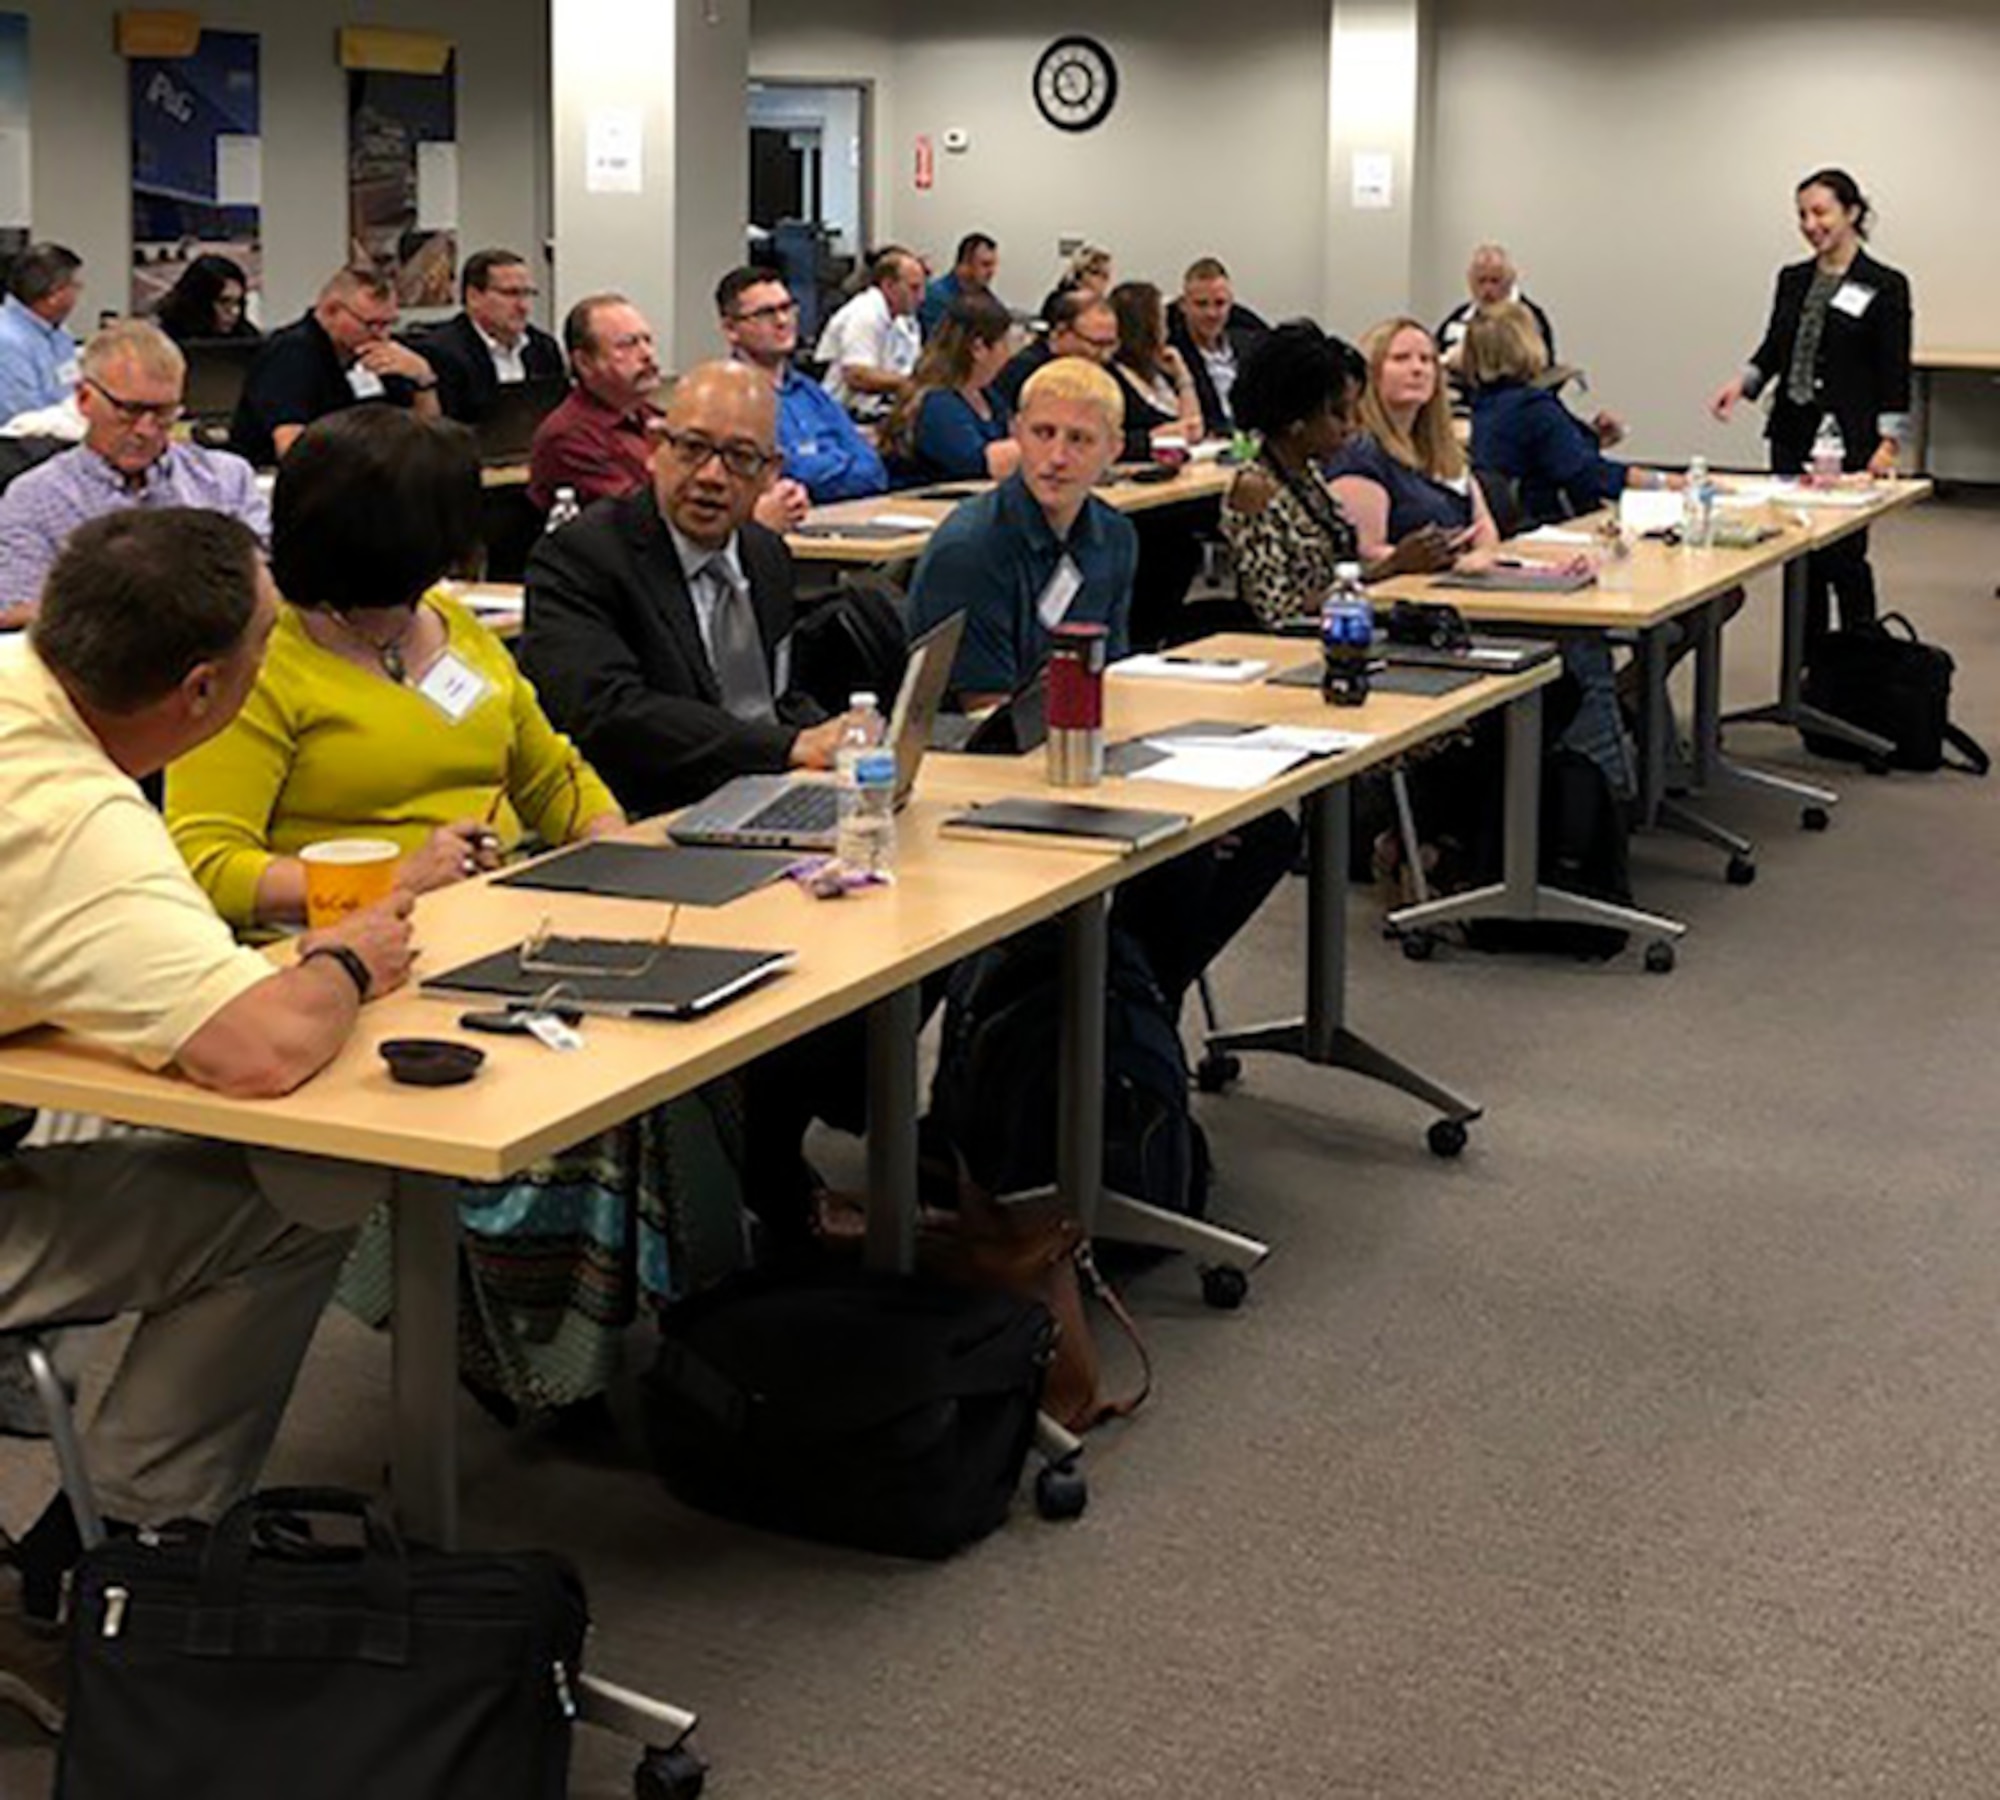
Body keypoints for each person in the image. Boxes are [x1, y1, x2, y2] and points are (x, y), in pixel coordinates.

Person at [0, 506, 414, 1733]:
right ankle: (103, 1563)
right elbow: (266, 1051)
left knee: (144, 1124)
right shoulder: (77, 827)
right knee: (290, 1190)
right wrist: (349, 960)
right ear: (198, 692)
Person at [522, 359, 872, 1251]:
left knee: (912, 929)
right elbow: (603, 710)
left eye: (740, 459)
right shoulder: (584, 556)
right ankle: (754, 1175)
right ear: (655, 448)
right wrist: (784, 748)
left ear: (768, 474)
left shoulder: (762, 550)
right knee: (813, 960)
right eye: (692, 448)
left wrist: (829, 743)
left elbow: (770, 694)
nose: (712, 475)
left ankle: (781, 1142)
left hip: (766, 808)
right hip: (656, 827)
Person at [907, 355, 1295, 1015]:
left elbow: (1110, 675)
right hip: (975, 764)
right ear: (1016, 433)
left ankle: (1126, 1002)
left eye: (1079, 440)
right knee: (1176, 852)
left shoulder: (1111, 536)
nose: (1056, 457)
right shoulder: (971, 547)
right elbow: (986, 717)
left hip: (1076, 747)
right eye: (1042, 434)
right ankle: (1111, 1006)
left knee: (1266, 835)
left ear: (1114, 451)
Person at [1709, 166, 1911, 650]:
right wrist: (1744, 383)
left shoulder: (1884, 284)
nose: (1810, 224)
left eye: (1820, 212)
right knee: (1799, 556)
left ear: (1852, 213)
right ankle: (1807, 665)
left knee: (1843, 555)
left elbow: (1893, 368)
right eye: (1802, 214)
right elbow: (1776, 345)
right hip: (1792, 432)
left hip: (1848, 441)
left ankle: (1863, 657)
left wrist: (1888, 442)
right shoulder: (1793, 278)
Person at [0, 320, 268, 624]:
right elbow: (14, 612)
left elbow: (265, 587)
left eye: (164, 413)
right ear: (84, 399)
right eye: (129, 410)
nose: (146, 430)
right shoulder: (36, 497)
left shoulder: (226, 479)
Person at [1220, 321, 1455, 630]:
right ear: (1296, 420)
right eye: (1338, 414)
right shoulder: (1255, 489)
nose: (1350, 426)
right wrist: (1391, 567)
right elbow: (1278, 612)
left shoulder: (1308, 474)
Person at [1464, 303, 1673, 526]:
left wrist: (1591, 438)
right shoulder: (1532, 408)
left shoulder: (1487, 404)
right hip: (1549, 523)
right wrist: (1666, 482)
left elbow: (1547, 452)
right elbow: (1586, 474)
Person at [228, 265, 439, 467]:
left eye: (389, 324)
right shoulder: (291, 353)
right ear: (331, 312)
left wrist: (423, 378)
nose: (382, 335)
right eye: (371, 324)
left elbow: (424, 438)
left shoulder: (374, 352)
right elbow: (292, 449)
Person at [1328, 317, 1499, 562]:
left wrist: (1482, 555)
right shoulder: (1360, 454)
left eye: (1427, 360)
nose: (1417, 369)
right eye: (1401, 359)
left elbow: (1483, 524)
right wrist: (1451, 562)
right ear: (1371, 373)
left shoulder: (1442, 450)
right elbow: (1367, 552)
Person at [717, 265, 886, 502]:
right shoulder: (726, 397)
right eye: (766, 313)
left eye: (787, 308)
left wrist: (814, 470)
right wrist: (840, 462)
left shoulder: (811, 393)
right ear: (731, 329)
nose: (783, 320)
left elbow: (873, 470)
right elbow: (772, 475)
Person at [414, 247, 564, 426]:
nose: (523, 306)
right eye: (511, 294)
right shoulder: (442, 352)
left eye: (527, 294)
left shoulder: (543, 347)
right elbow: (447, 430)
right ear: (474, 297)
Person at [881, 292, 1020, 484]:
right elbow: (978, 463)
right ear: (978, 348)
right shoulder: (937, 404)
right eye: (1004, 343)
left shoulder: (989, 397)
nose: (1009, 354)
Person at [815, 245, 925, 422]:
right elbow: (857, 376)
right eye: (914, 288)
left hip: (883, 412)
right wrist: (912, 383)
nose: (921, 297)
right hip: (846, 416)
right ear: (888, 285)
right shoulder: (865, 313)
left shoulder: (905, 322)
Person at [1167, 257, 1268, 438]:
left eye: (1220, 303)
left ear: (1231, 303)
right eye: (1201, 304)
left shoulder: (1251, 345)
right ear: (1183, 305)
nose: (1211, 313)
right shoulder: (1173, 354)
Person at [1108, 280, 1205, 448]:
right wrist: (1156, 435)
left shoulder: (1162, 368)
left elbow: (1194, 428)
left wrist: (1183, 378)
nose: (1167, 330)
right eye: (1162, 321)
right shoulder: (1113, 378)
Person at [993, 288, 1119, 411]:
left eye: (1111, 344)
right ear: (1060, 332)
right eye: (1096, 344)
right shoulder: (1021, 371)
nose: (1105, 355)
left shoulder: (1106, 373)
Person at [1435, 244, 1556, 370]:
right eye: (1481, 281)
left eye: (1495, 281)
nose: (1487, 289)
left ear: (1510, 280)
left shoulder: (1531, 318)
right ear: (1470, 281)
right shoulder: (1458, 318)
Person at [0, 244, 84, 423]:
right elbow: (25, 421)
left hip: (65, 435)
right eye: (75, 286)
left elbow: (73, 387)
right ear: (54, 294)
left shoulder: (59, 332)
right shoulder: (6, 341)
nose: (79, 292)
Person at [152, 253, 258, 344]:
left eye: (238, 302)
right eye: (224, 302)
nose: (235, 311)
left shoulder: (247, 338)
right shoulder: (163, 343)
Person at [918, 231, 1000, 339]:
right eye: (985, 265)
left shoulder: (983, 295)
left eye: (994, 265)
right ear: (964, 265)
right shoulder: (937, 297)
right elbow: (944, 346)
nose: (992, 271)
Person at [1039, 244, 1113, 326]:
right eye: (1096, 272)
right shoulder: (1060, 303)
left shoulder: (1107, 305)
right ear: (1079, 275)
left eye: (1106, 274)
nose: (1103, 279)